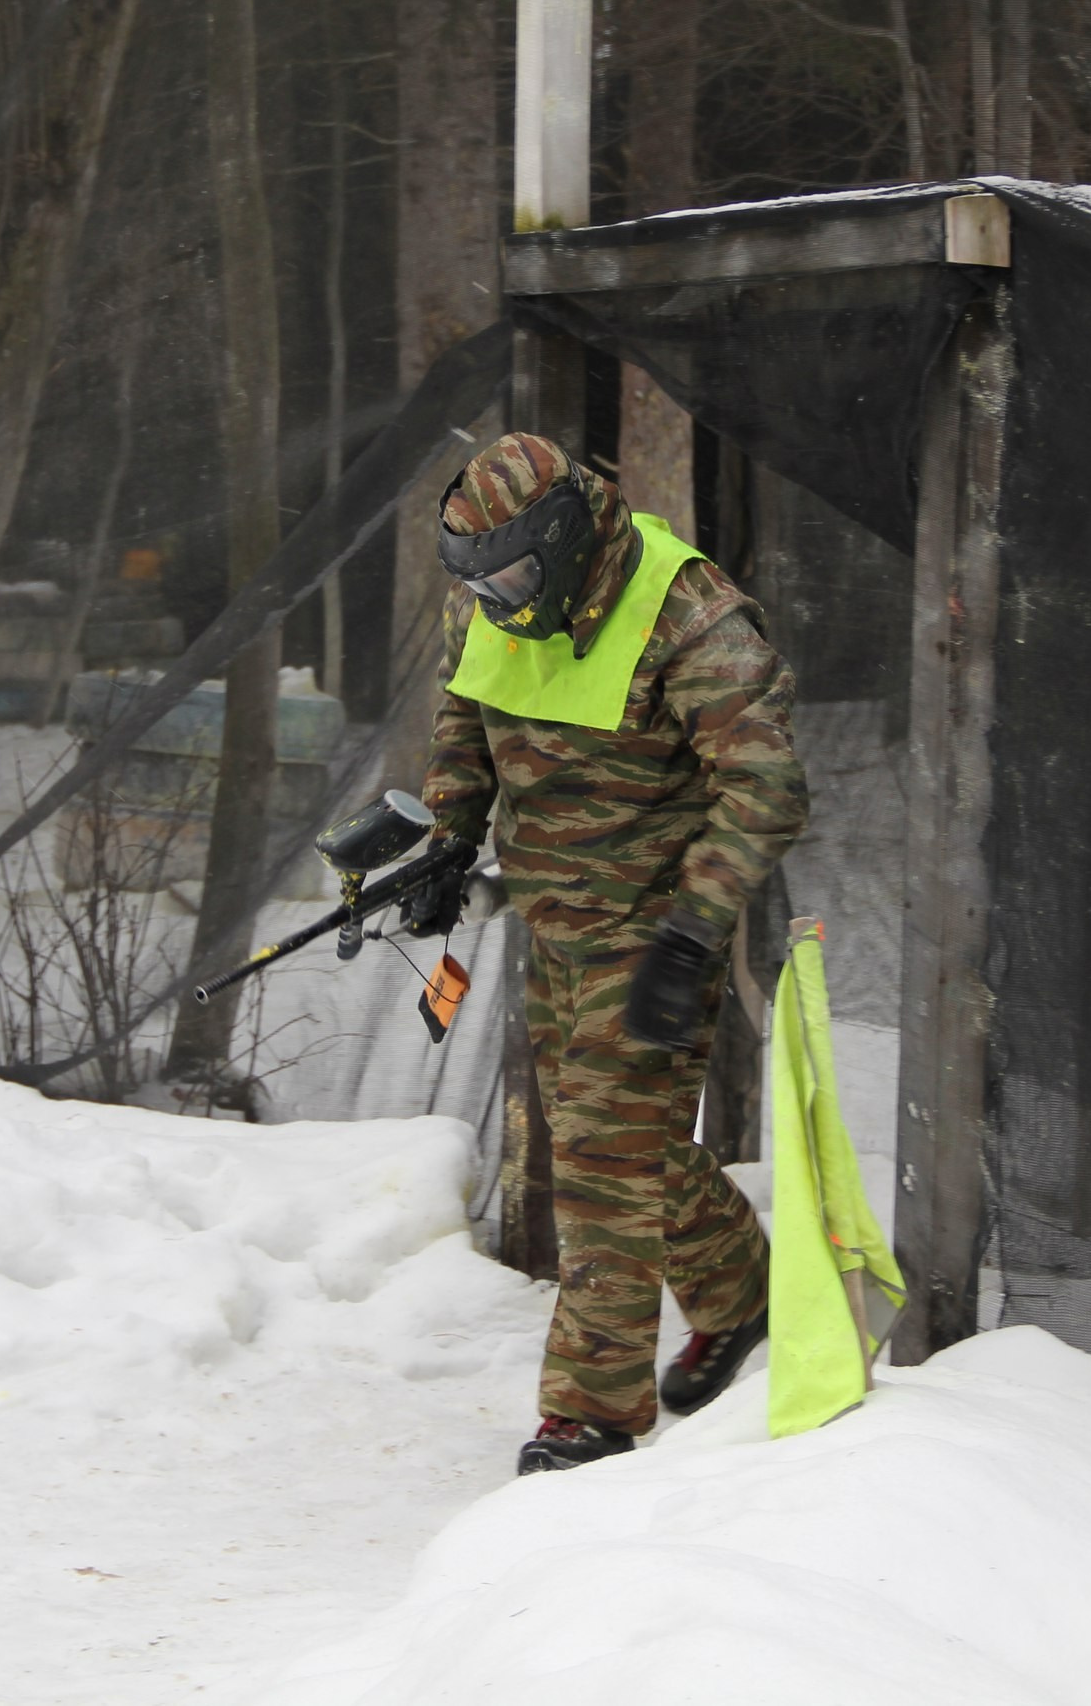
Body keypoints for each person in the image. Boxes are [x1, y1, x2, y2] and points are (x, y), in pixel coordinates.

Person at [402, 431, 809, 1474]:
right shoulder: (491, 592)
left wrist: (693, 929)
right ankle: (742, 1292)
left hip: (656, 922)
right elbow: (465, 709)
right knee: (616, 1142)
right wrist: (449, 835)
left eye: (511, 575)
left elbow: (764, 788)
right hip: (556, 919)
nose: (495, 598)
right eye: (476, 579)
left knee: (601, 1165)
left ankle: (590, 1414)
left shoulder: (690, 614)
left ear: (568, 538)